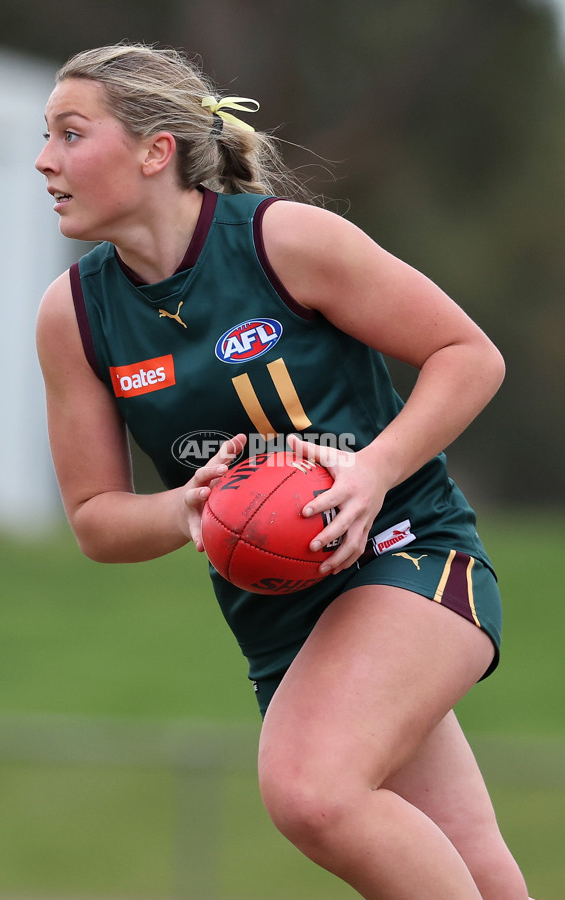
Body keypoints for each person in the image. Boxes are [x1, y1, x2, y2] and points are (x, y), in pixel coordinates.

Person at [35, 42, 532, 900]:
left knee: (313, 791)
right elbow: (93, 519)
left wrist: (373, 471)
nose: (46, 159)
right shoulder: (74, 315)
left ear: (156, 151)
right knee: (473, 863)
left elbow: (468, 355)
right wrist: (185, 509)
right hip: (279, 618)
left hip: (408, 550)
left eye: (72, 134)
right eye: (45, 136)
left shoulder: (283, 241)